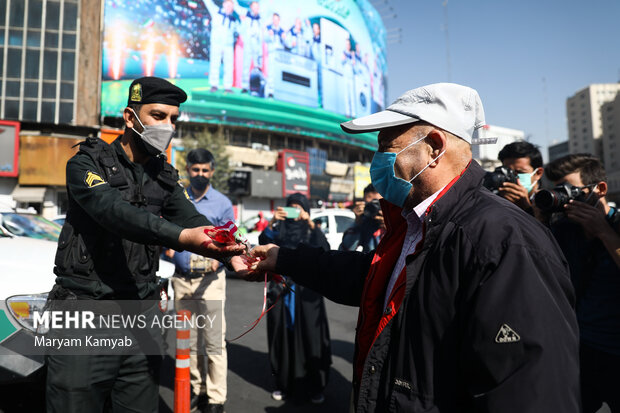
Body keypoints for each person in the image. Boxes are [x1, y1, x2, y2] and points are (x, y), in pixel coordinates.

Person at [250, 83, 580, 412]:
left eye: (387, 147)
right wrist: (283, 258)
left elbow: (531, 391)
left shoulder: (503, 239)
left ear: (434, 147)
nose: (378, 161)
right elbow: (371, 277)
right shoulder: (415, 222)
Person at [46, 77, 245, 413]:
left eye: (173, 119)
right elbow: (114, 212)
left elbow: (191, 219)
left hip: (141, 316)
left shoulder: (164, 175)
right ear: (129, 117)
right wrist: (181, 238)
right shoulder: (87, 162)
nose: (167, 126)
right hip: (85, 313)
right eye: (158, 115)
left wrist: (229, 250)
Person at [544, 154, 620, 413]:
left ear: (599, 189)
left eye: (570, 189)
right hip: (580, 349)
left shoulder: (617, 226)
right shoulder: (564, 230)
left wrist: (604, 231)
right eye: (558, 190)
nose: (565, 197)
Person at [167, 148, 234, 413]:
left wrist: (221, 255)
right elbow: (166, 229)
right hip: (182, 281)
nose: (200, 174)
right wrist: (168, 247)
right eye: (196, 170)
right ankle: (194, 389)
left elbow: (232, 238)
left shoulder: (222, 203)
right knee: (189, 342)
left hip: (211, 282)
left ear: (212, 171)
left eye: (205, 170)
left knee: (215, 342)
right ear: (188, 169)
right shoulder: (178, 199)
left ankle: (216, 398)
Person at [258, 193, 332, 405]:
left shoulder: (311, 230)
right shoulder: (278, 229)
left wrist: (310, 223)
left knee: (311, 337)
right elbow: (263, 245)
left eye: (299, 207)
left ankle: (316, 386)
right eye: (291, 207)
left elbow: (325, 250)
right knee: (281, 337)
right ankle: (283, 383)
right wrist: (273, 222)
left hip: (307, 294)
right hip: (280, 292)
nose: (294, 212)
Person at [496, 141, 544, 217]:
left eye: (519, 172)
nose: (512, 176)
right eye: (508, 172)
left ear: (538, 173)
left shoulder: (548, 202)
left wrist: (527, 208)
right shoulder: (498, 198)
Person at [205, 0, 240, 92]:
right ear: (224, 4)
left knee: (229, 66)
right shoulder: (216, 11)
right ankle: (214, 85)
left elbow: (240, 31)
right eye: (228, 5)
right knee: (215, 64)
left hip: (228, 45)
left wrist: (243, 20)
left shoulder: (234, 20)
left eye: (231, 6)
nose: (229, 7)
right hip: (216, 43)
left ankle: (228, 87)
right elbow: (208, 2)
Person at [340, 184, 385, 252]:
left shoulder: (396, 222)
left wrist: (389, 227)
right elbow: (345, 250)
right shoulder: (364, 222)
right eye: (370, 204)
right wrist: (357, 222)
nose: (374, 208)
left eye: (377, 203)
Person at [240, 1, 263, 94]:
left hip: (257, 44)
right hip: (248, 43)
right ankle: (245, 86)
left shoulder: (260, 19)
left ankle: (257, 86)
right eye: (254, 7)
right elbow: (242, 30)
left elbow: (261, 33)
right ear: (251, 8)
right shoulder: (246, 16)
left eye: (257, 7)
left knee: (257, 66)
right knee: (246, 64)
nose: (256, 9)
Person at [264, 12, 286, 98]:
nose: (275, 21)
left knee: (278, 73)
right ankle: (270, 91)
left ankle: (278, 91)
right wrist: (269, 35)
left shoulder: (282, 31)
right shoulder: (268, 28)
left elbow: (287, 43)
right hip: (272, 52)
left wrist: (284, 38)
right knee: (271, 72)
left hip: (280, 54)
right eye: (274, 19)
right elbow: (265, 39)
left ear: (279, 20)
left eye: (276, 19)